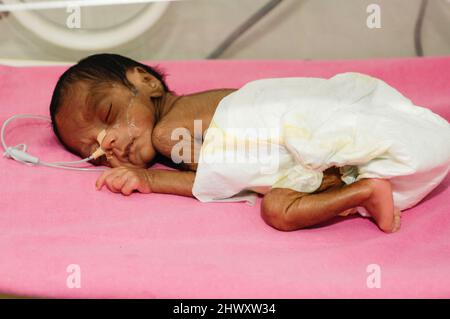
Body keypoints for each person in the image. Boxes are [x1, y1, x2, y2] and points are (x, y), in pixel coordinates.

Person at [50, 54, 450, 233]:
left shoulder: (171, 129)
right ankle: (364, 190)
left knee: (276, 207)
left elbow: (221, 169)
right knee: (277, 209)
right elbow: (243, 168)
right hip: (303, 167)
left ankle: (358, 183)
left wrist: (150, 180)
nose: (111, 142)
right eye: (94, 149)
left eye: (107, 115)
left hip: (306, 136)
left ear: (147, 82)